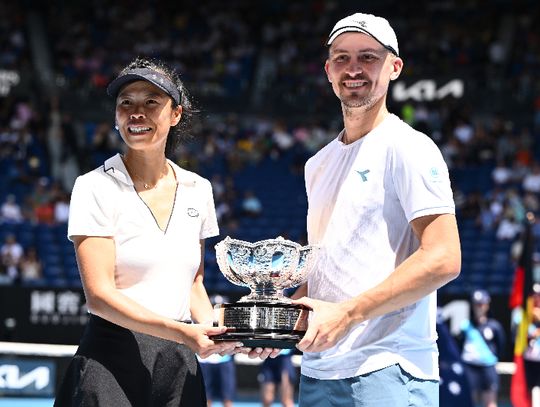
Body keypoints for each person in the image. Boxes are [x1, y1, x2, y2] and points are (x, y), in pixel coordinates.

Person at [290, 12, 461, 406]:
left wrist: (347, 315)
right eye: (342, 58)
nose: (353, 69)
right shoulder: (317, 163)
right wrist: (280, 322)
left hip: (389, 370)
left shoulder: (409, 147)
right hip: (319, 369)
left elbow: (444, 258)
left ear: (394, 67)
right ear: (328, 70)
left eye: (368, 57)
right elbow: (327, 269)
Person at [54, 57, 245, 406]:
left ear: (175, 114)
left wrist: (228, 332)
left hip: (178, 365)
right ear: (116, 116)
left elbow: (193, 285)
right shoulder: (93, 186)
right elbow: (99, 296)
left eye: (151, 102)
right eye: (126, 103)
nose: (136, 112)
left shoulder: (198, 188)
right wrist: (185, 333)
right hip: (110, 359)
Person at [458, 289, 505, 407]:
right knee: (469, 400)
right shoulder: (465, 326)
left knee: (490, 401)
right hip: (469, 367)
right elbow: (459, 344)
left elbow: (500, 345)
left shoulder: (494, 326)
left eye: (481, 304)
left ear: (487, 305)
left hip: (488, 367)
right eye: (476, 304)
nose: (479, 307)